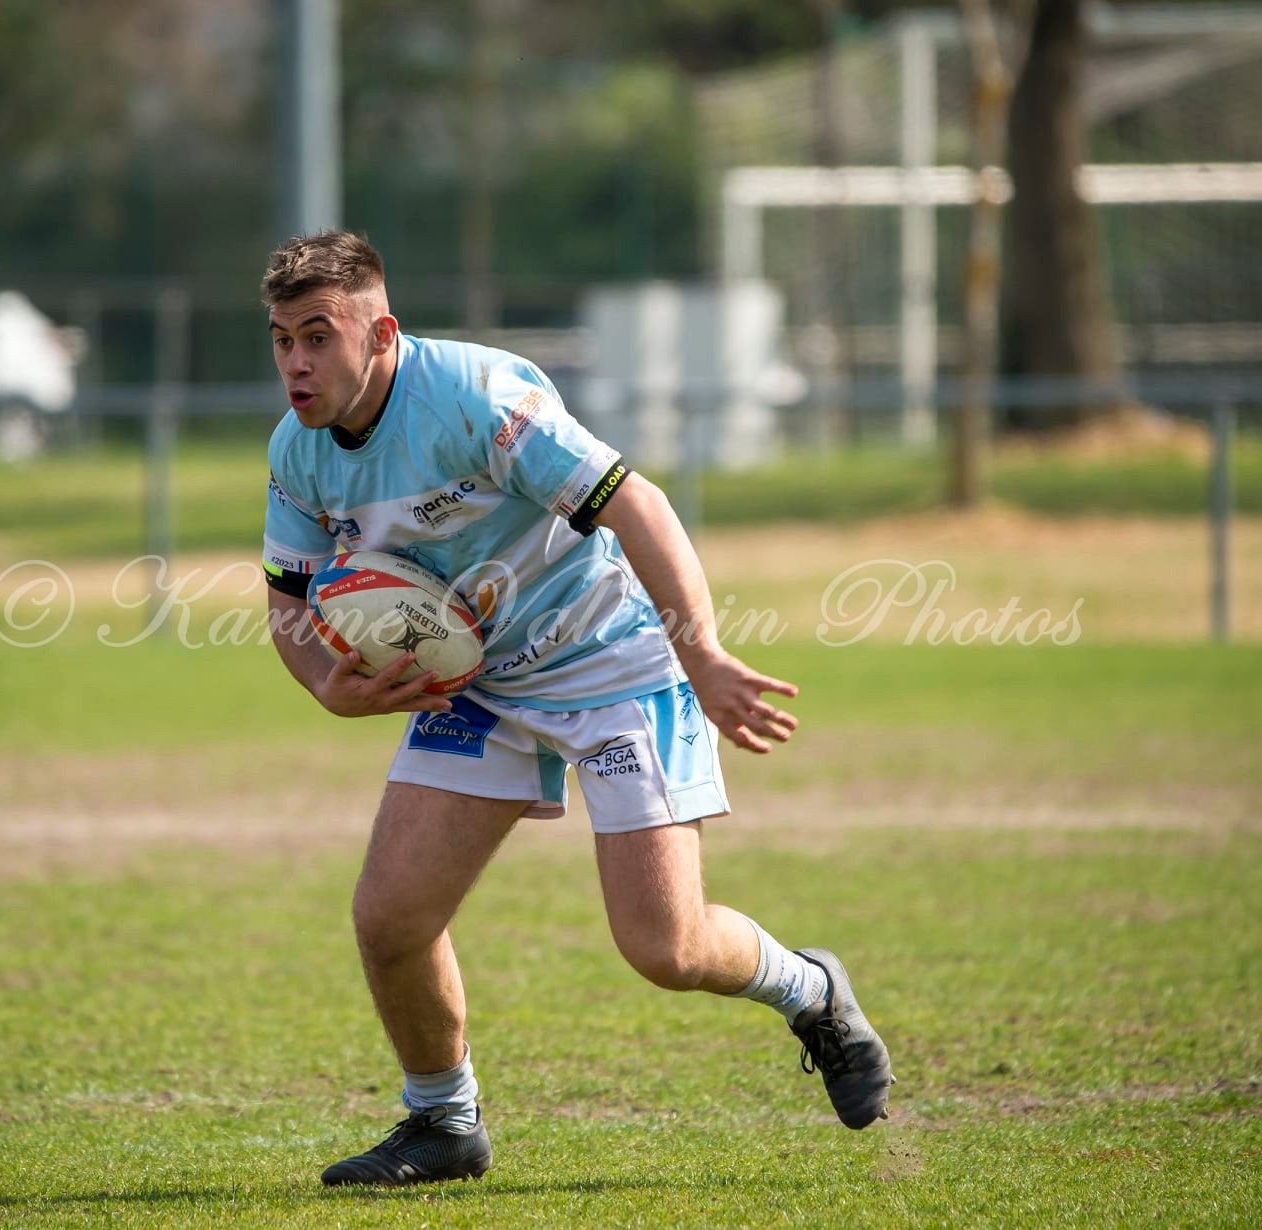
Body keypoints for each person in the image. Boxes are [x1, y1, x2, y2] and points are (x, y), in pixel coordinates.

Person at [259, 231, 892, 1188]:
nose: (297, 363)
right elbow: (289, 603)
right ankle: (444, 1124)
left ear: (381, 332)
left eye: (318, 335)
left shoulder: (477, 401)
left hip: (611, 662)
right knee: (390, 918)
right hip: (476, 682)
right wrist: (324, 684)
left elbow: (637, 503)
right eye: (280, 339)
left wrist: (705, 655)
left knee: (664, 947)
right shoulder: (297, 453)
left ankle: (812, 989)